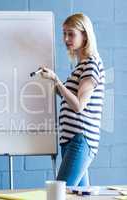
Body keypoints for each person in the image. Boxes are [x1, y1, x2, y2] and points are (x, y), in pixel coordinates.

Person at [39, 13, 105, 186]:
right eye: (64, 33)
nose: (66, 38)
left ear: (85, 35)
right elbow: (72, 98)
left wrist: (57, 81)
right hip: (71, 140)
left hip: (80, 139)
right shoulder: (81, 66)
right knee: (80, 195)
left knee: (60, 194)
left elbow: (79, 106)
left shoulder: (91, 64)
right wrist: (55, 85)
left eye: (71, 34)